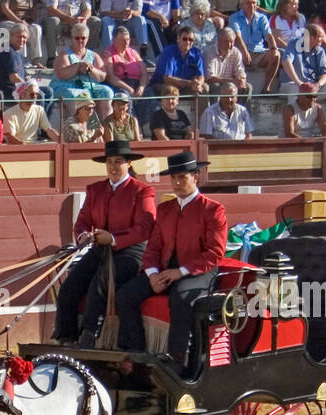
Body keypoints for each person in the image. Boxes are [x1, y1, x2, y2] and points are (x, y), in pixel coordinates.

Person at [115, 149, 227, 374]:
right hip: (165, 271)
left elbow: (215, 253)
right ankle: (137, 353)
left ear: (195, 177)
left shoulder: (213, 209)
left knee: (180, 296)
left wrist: (181, 271)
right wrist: (153, 274)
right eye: (173, 177)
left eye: (182, 177)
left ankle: (178, 358)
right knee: (125, 295)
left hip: (200, 272)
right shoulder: (165, 209)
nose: (176, 182)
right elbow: (153, 247)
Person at [53, 138, 156, 347]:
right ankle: (66, 338)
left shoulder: (142, 191)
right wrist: (83, 236)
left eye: (118, 161)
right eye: (110, 162)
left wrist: (115, 238)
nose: (113, 167)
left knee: (99, 283)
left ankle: (90, 336)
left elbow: (146, 227)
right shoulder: (95, 189)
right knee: (70, 285)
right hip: (100, 248)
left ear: (128, 164)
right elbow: (82, 221)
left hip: (131, 251)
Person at [51, 21, 112, 115]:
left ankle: (107, 125)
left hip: (88, 86)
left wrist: (91, 69)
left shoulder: (93, 55)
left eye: (83, 38)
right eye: (77, 38)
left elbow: (102, 76)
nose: (80, 41)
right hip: (67, 86)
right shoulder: (65, 55)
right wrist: (78, 66)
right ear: (72, 38)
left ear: (87, 38)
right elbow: (62, 74)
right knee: (75, 94)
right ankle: (77, 125)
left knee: (106, 91)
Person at [228, 0, 280, 92]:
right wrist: (245, 52)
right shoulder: (234, 17)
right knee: (236, 53)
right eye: (248, 3)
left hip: (259, 52)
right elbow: (237, 37)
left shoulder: (262, 18)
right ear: (242, 5)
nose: (251, 5)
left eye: (254, 3)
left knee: (276, 55)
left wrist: (273, 48)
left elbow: (268, 35)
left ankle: (266, 88)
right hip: (241, 52)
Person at [0, 0, 44, 67]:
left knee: (36, 28)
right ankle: (21, 59)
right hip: (6, 21)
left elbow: (32, 12)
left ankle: (36, 60)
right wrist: (19, 21)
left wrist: (29, 22)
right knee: (21, 28)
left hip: (23, 22)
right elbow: (4, 9)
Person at [105, 25, 145, 99]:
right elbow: (110, 77)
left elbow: (144, 73)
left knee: (149, 94)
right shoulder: (108, 54)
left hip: (137, 83)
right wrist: (129, 89)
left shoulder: (134, 52)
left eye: (128, 39)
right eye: (123, 40)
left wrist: (141, 86)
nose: (126, 43)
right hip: (120, 85)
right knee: (124, 96)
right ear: (114, 40)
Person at [204, 26, 246, 94]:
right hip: (216, 83)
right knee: (216, 87)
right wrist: (231, 81)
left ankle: (239, 105)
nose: (229, 45)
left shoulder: (236, 52)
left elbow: (240, 72)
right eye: (226, 41)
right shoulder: (209, 52)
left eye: (231, 41)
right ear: (219, 41)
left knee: (247, 87)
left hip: (230, 83)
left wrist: (242, 80)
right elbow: (210, 79)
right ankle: (216, 105)